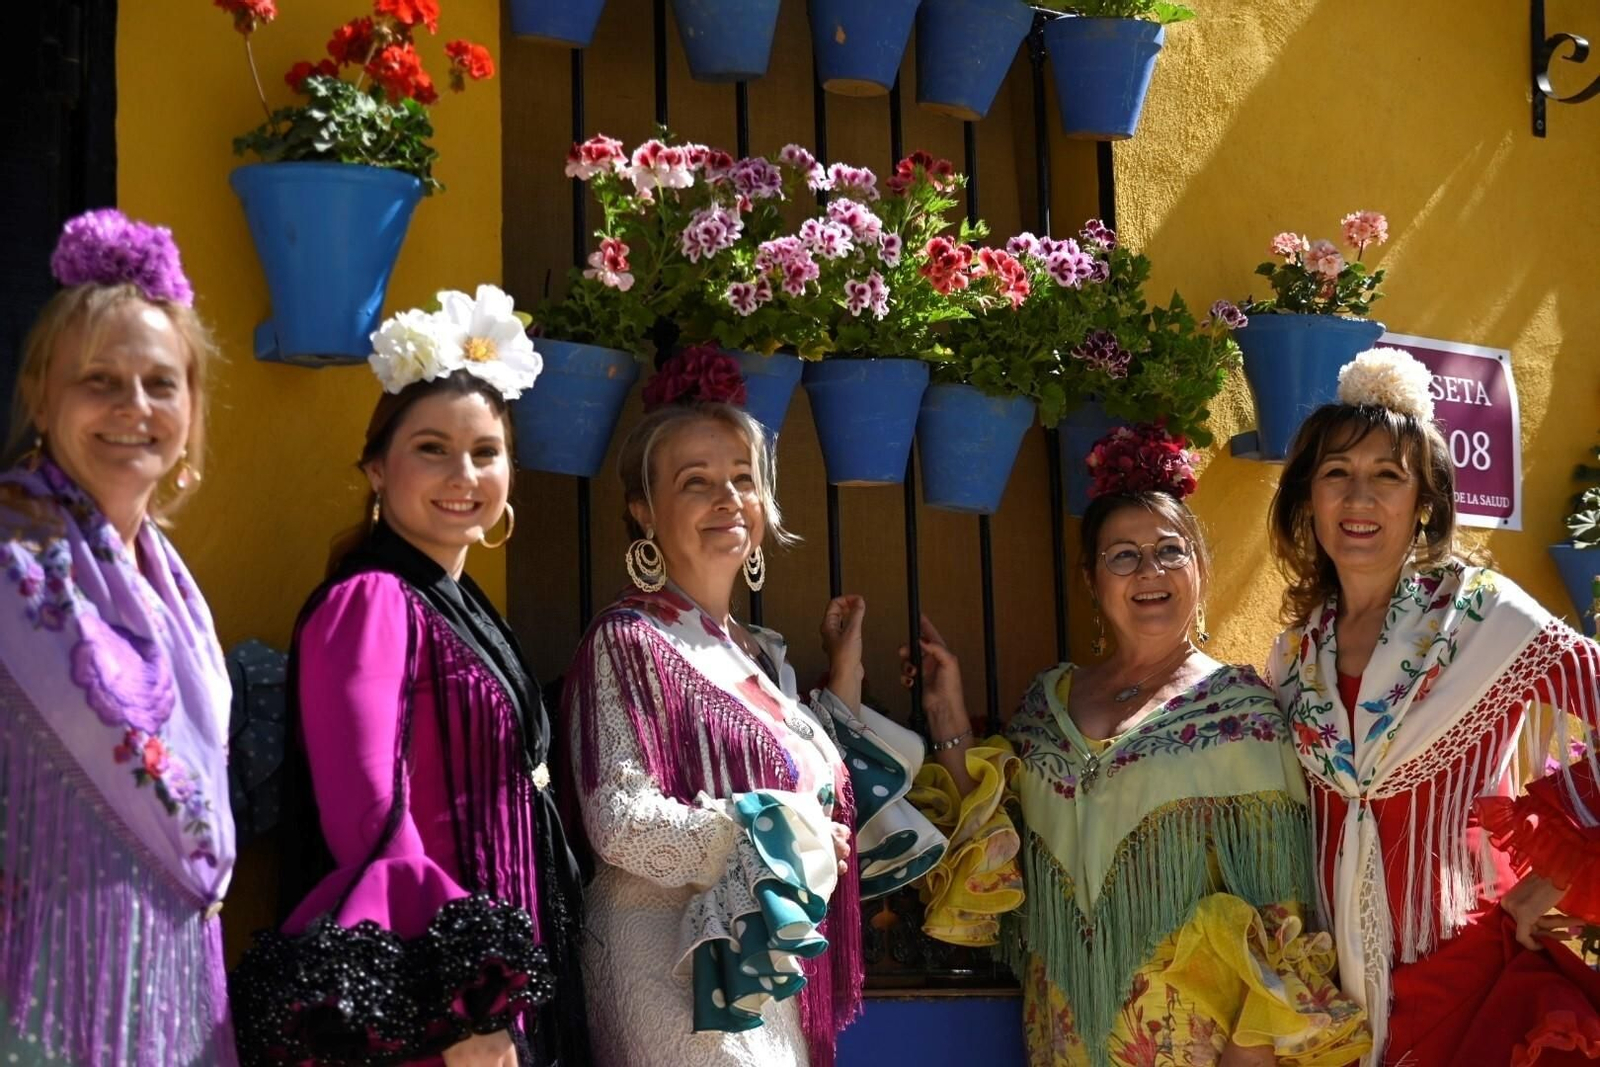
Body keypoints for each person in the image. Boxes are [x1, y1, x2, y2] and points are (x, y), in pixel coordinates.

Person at [907, 423, 1371, 1067]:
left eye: (1169, 551)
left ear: (1201, 569)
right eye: (1122, 555)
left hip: (1193, 1047)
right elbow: (996, 874)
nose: (1149, 570)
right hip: (1062, 1038)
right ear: (1092, 581)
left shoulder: (1243, 713)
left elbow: (1278, 918)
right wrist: (950, 722)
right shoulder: (1046, 707)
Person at [230, 286, 588, 1066]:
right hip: (434, 1006)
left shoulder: (457, 602)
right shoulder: (372, 599)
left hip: (502, 991)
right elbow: (369, 817)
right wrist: (462, 1013)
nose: (464, 472)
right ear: (375, 467)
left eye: (486, 451)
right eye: (432, 447)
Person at [561, 347, 943, 1067]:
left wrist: (845, 676)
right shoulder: (629, 639)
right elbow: (618, 822)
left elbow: (800, 783)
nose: (727, 497)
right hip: (664, 960)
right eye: (695, 482)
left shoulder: (759, 657)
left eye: (742, 478)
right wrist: (776, 833)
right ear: (643, 510)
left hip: (756, 967)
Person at [1266, 347, 1600, 1065]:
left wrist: (1571, 870)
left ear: (1424, 502)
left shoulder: (1489, 619)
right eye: (1336, 475)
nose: (1359, 499)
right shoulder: (1292, 658)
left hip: (1470, 986)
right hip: (1332, 1009)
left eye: (1388, 476)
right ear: (1308, 501)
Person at [0, 209, 237, 1065]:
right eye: (98, 380)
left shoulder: (170, 585)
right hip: (38, 993)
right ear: (40, 393)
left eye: (160, 383)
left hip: (169, 986)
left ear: (192, 405)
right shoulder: (8, 557)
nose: (133, 408)